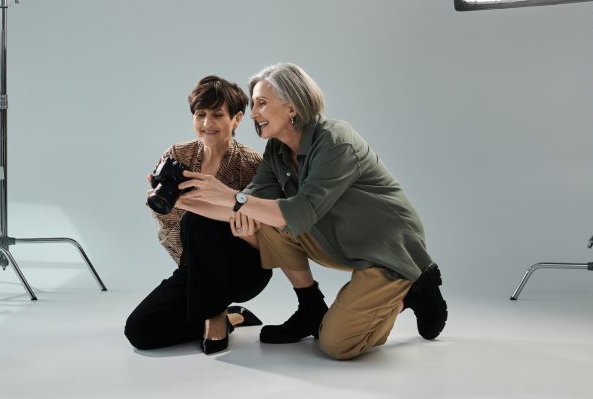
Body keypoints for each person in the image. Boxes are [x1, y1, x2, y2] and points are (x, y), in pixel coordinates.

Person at [177, 62, 447, 360]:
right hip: (338, 239)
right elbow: (249, 204)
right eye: (253, 105)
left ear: (291, 107)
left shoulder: (335, 140)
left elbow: (300, 212)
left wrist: (233, 198)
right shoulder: (277, 152)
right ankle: (310, 307)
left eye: (261, 104)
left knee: (336, 345)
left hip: (387, 250)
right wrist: (181, 200)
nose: (253, 114)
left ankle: (411, 293)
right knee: (264, 215)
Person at [124, 75, 272, 355]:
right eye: (200, 114)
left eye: (217, 115)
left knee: (198, 216)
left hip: (244, 268)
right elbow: (169, 226)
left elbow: (272, 239)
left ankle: (215, 315)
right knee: (140, 330)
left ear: (237, 119)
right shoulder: (178, 155)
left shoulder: (253, 165)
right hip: (197, 268)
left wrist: (247, 232)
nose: (207, 124)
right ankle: (232, 317)